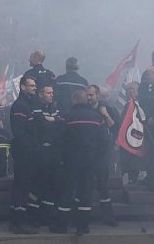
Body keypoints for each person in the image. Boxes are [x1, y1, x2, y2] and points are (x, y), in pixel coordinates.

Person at [52, 88, 108, 236]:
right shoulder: (97, 118)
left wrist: (62, 158)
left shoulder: (67, 117)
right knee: (85, 193)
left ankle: (61, 225)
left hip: (71, 162)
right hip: (90, 162)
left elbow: (59, 139)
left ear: (74, 100)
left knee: (67, 191)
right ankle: (82, 226)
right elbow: (104, 142)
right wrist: (95, 157)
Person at [29, 84, 65, 227]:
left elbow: (60, 123)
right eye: (48, 93)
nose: (52, 95)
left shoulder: (53, 108)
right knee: (38, 185)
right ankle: (35, 216)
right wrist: (50, 121)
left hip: (53, 153)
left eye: (52, 93)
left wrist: (52, 120)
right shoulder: (36, 106)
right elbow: (40, 124)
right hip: (39, 153)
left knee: (51, 185)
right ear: (41, 95)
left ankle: (47, 215)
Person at [9, 76, 40, 234]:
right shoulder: (21, 106)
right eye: (31, 85)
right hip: (24, 154)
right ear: (22, 87)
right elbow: (21, 133)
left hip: (27, 152)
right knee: (22, 186)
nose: (35, 87)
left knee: (24, 186)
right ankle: (18, 222)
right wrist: (30, 149)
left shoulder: (28, 104)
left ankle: (19, 219)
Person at [87, 84, 120, 226]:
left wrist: (105, 114)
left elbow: (114, 127)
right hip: (88, 153)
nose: (89, 98)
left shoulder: (108, 109)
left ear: (97, 95)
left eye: (91, 95)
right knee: (86, 186)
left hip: (102, 153)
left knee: (103, 186)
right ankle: (84, 218)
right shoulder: (85, 109)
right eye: (87, 95)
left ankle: (108, 217)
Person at [118, 82, 146, 184]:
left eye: (131, 89)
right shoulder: (127, 106)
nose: (128, 91)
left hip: (135, 142)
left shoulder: (139, 106)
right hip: (127, 144)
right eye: (127, 89)